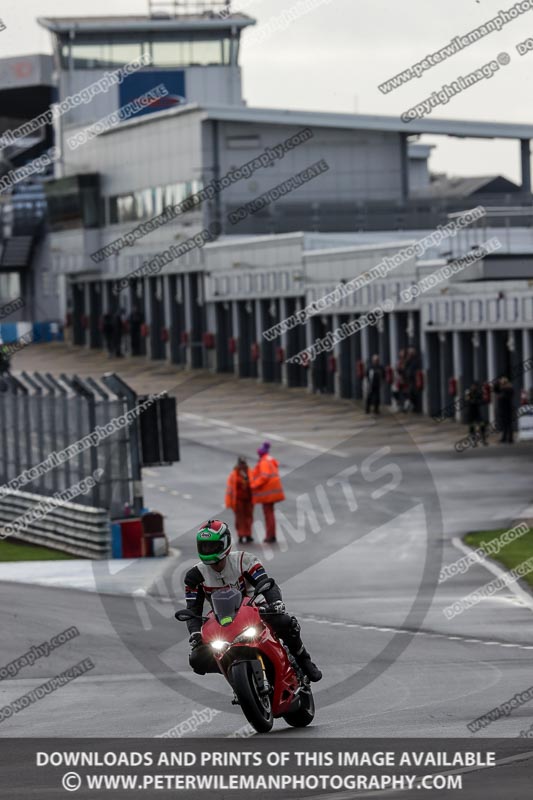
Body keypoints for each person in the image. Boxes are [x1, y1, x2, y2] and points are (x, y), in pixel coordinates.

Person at [183, 519, 322, 682]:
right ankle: (233, 672)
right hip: (224, 621)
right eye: (204, 546)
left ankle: (303, 660)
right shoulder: (194, 576)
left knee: (286, 622)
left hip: (257, 610)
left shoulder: (245, 561)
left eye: (213, 545)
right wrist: (195, 632)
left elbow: (267, 584)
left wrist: (275, 602)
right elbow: (192, 609)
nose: (208, 549)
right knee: (197, 659)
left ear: (224, 543)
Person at [251, 442, 285, 544]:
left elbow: (264, 476)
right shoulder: (270, 460)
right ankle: (271, 535)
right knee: (270, 513)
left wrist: (253, 485)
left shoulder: (264, 462)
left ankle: (270, 536)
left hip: (268, 493)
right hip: (273, 492)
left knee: (268, 514)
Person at [225, 456, 254, 544]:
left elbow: (253, 483)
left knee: (249, 517)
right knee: (240, 518)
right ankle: (241, 535)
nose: (242, 465)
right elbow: (230, 489)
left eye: (244, 464)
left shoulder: (250, 472)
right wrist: (229, 502)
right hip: (238, 500)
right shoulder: (234, 474)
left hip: (248, 499)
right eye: (241, 464)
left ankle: (248, 534)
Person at [464, 381, 487, 446]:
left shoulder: (478, 393)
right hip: (470, 412)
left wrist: (477, 401)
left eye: (475, 386)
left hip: (477, 412)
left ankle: (483, 440)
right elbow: (467, 401)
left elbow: (483, 401)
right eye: (473, 386)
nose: (474, 387)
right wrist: (473, 401)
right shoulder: (468, 392)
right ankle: (474, 441)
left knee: (482, 425)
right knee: (472, 428)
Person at [495, 376, 515, 444]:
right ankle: (504, 438)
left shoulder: (508, 389)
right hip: (503, 409)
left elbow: (507, 395)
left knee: (508, 424)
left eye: (503, 382)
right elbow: (495, 389)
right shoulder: (501, 389)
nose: (502, 383)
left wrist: (504, 386)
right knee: (504, 424)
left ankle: (510, 438)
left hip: (507, 409)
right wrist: (498, 382)